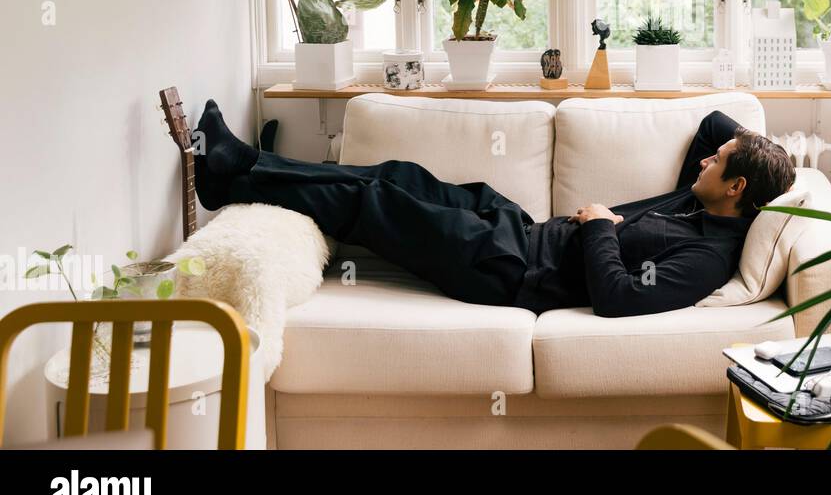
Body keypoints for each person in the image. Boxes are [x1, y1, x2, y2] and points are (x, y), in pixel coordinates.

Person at [193, 101, 796, 317]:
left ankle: (236, 176)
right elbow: (718, 123)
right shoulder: (700, 199)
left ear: (736, 189)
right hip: (518, 228)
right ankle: (244, 167)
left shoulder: (707, 257)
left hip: (508, 271)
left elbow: (617, 298)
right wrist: (777, 164)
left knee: (374, 201)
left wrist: (601, 229)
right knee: (394, 176)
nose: (702, 163)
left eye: (717, 163)